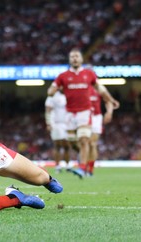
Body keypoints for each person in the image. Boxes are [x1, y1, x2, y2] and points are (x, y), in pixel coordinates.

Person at [47, 48, 119, 178]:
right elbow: (51, 91)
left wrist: (111, 102)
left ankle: (84, 168)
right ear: (69, 59)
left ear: (81, 59)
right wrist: (58, 89)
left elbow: (102, 90)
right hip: (69, 114)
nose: (75, 58)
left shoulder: (89, 76)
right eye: (72, 56)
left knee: (87, 141)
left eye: (77, 56)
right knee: (72, 142)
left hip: (86, 113)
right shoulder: (63, 77)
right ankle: (83, 160)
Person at [87, 86, 119, 176]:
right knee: (83, 143)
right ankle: (83, 165)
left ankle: (90, 169)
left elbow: (108, 100)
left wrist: (109, 112)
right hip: (82, 116)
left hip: (96, 117)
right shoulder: (81, 87)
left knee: (92, 143)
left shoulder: (99, 89)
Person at [44, 90, 71, 173]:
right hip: (56, 123)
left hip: (68, 123)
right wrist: (48, 123)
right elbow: (48, 109)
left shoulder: (69, 94)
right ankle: (58, 166)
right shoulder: (52, 96)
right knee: (58, 145)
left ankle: (67, 165)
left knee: (67, 145)